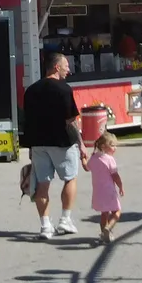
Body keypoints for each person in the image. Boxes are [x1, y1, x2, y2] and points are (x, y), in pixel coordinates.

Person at [22, 50, 89, 239]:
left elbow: (28, 121)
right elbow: (71, 121)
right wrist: (81, 144)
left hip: (38, 144)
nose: (68, 70)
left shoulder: (31, 90)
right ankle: (65, 220)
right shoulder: (64, 89)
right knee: (70, 178)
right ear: (56, 67)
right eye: (66, 66)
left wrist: (30, 148)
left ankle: (45, 226)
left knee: (42, 185)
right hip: (62, 142)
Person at [88, 133, 124, 244]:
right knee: (117, 211)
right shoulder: (109, 159)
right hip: (109, 191)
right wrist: (121, 186)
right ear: (103, 146)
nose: (115, 148)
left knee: (104, 213)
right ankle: (108, 228)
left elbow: (87, 167)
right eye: (112, 145)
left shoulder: (94, 158)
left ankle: (104, 234)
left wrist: (84, 159)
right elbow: (115, 176)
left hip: (98, 191)